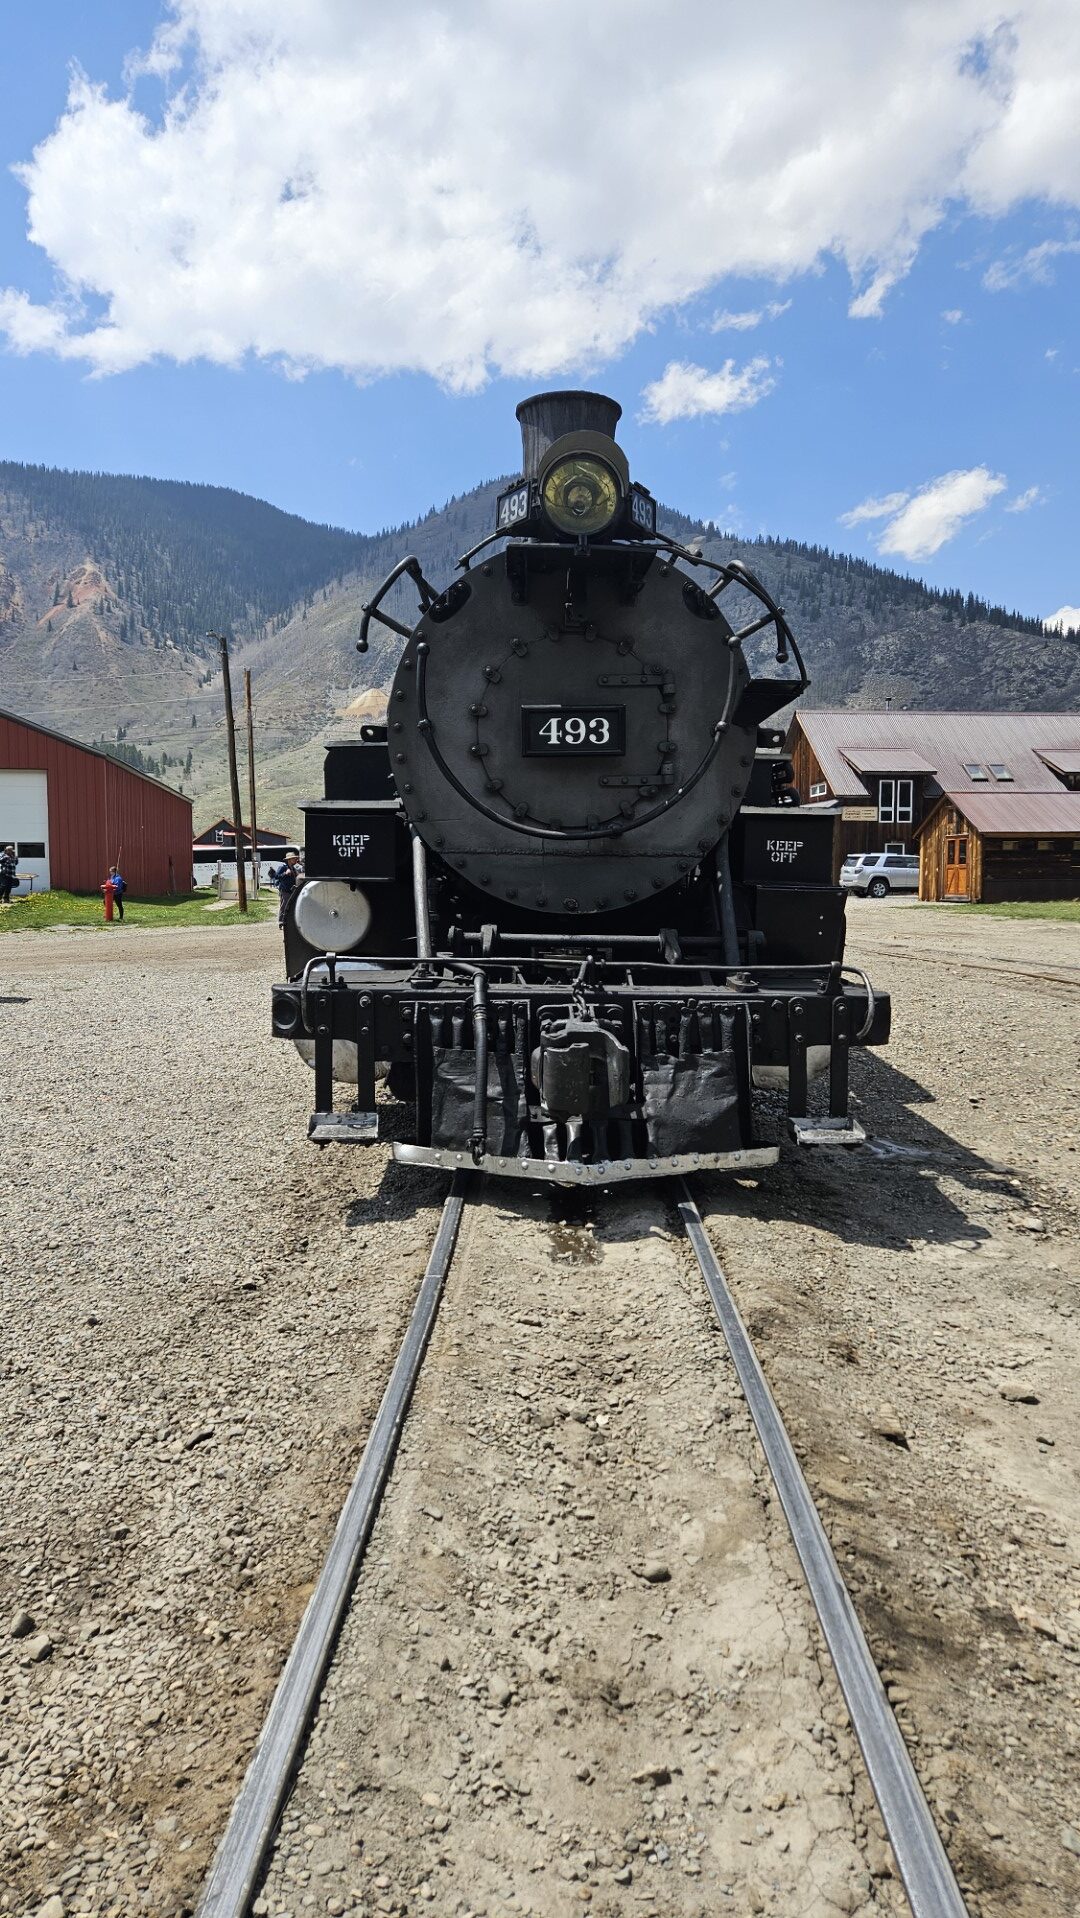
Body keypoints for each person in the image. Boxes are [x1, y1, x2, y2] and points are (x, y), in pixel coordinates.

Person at [272, 849, 303, 926]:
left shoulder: (293, 867)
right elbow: (276, 876)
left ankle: (288, 920)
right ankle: (281, 921)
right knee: (285, 905)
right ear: (289, 860)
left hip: (291, 889)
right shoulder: (283, 867)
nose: (296, 859)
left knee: (291, 905)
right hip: (285, 889)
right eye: (294, 858)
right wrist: (285, 874)